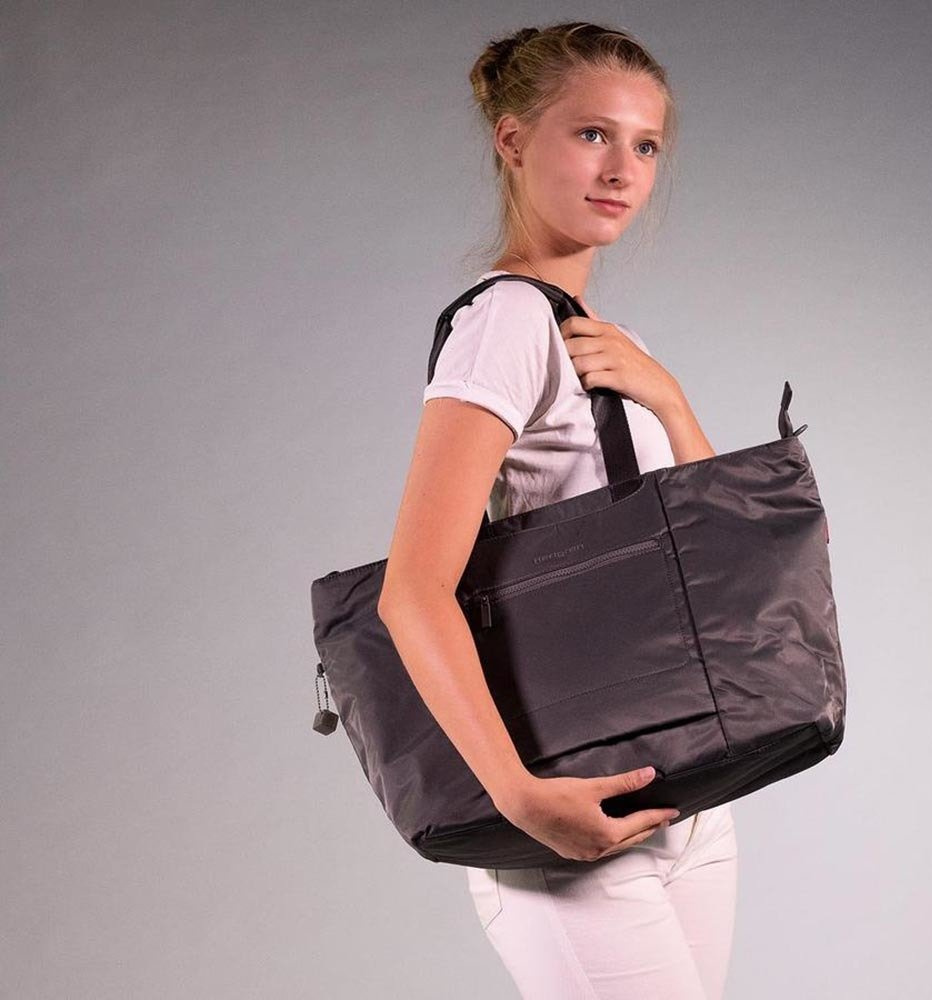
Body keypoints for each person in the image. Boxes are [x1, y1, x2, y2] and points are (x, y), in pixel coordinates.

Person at [377, 20, 738, 1000]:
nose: (621, 169)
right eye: (591, 134)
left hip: (687, 797)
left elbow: (719, 555)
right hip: (570, 802)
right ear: (512, 140)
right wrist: (519, 797)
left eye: (645, 145)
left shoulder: (615, 342)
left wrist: (672, 403)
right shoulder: (505, 321)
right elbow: (413, 591)